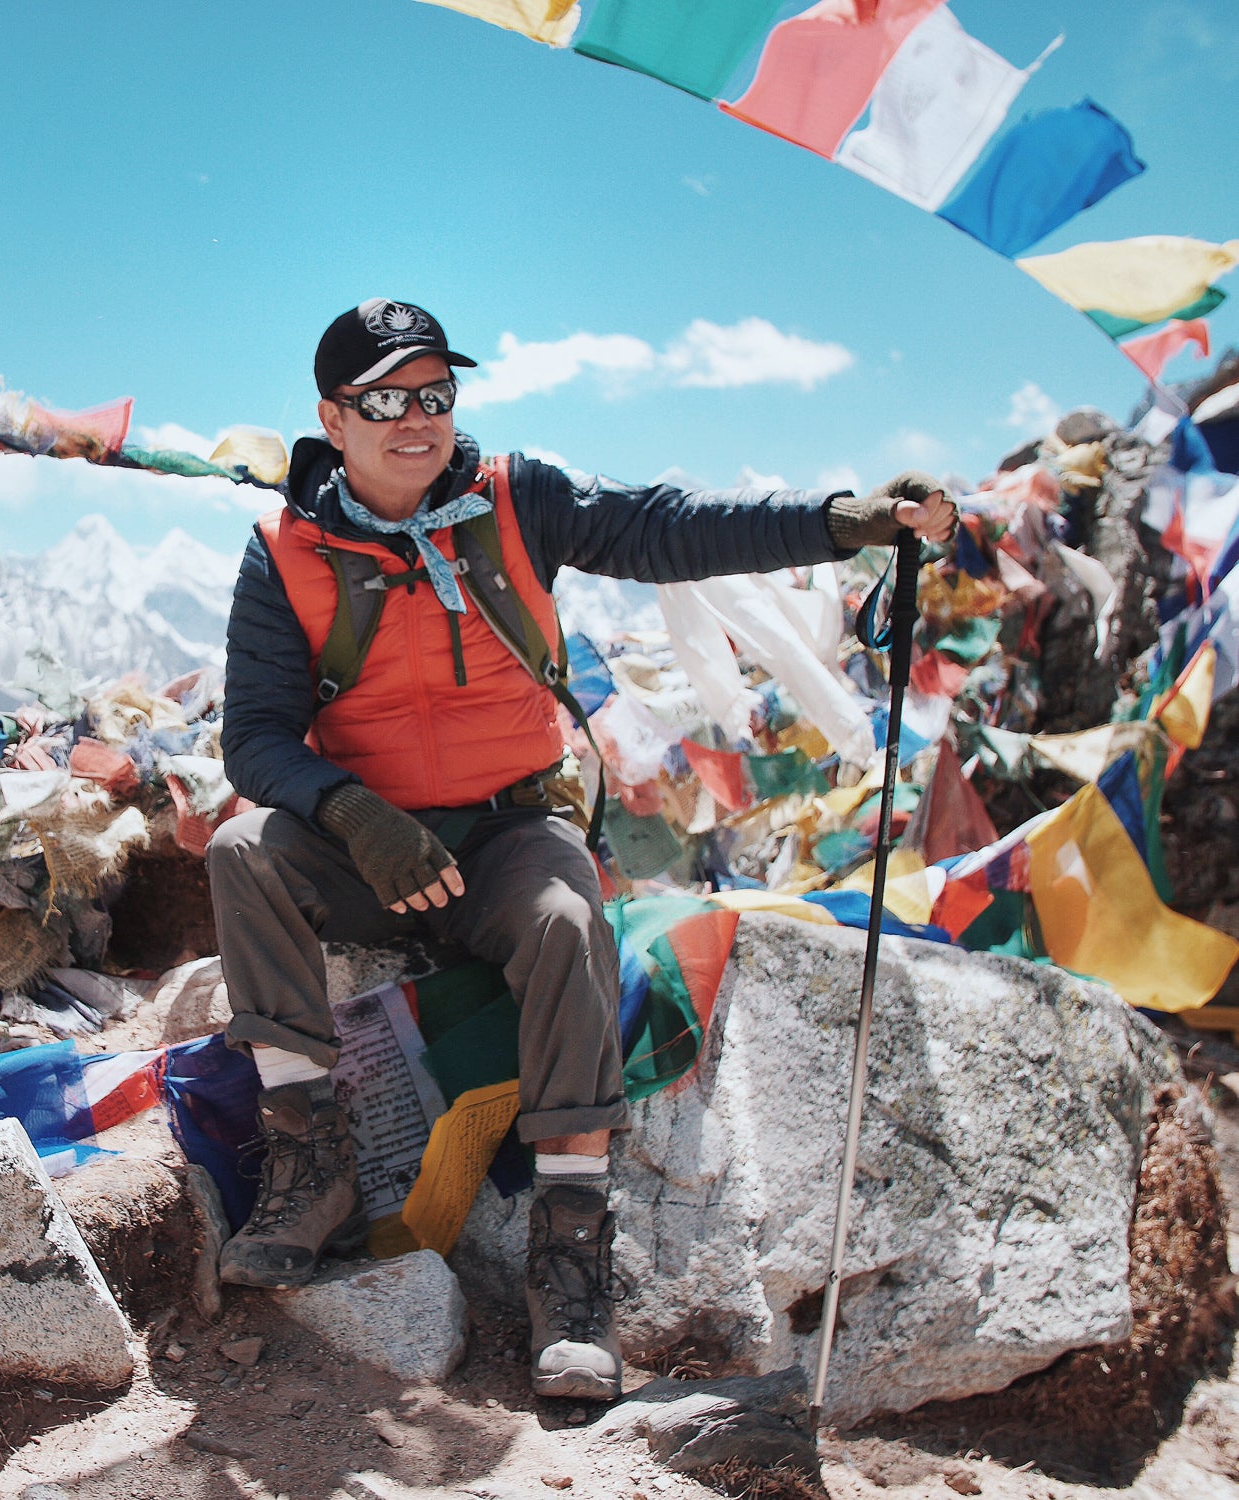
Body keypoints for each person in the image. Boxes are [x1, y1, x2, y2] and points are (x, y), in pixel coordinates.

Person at [208, 299, 956, 1401]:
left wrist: (841, 523)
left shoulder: (520, 500)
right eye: (386, 400)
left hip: (512, 827)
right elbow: (256, 735)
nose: (417, 418)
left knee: (567, 924)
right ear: (334, 415)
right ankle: (309, 1164)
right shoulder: (285, 553)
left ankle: (571, 1250)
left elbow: (671, 528)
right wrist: (353, 815)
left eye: (436, 393)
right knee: (241, 853)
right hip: (364, 844)